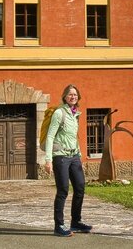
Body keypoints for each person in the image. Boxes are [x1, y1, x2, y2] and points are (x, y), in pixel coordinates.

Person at [44, 84, 93, 237]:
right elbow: (51, 136)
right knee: (63, 190)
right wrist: (48, 160)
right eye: (70, 94)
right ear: (65, 96)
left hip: (74, 156)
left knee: (80, 188)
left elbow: (72, 137)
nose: (73, 97)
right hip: (60, 156)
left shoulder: (75, 114)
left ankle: (75, 222)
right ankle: (59, 225)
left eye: (75, 95)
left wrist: (78, 153)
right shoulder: (59, 113)